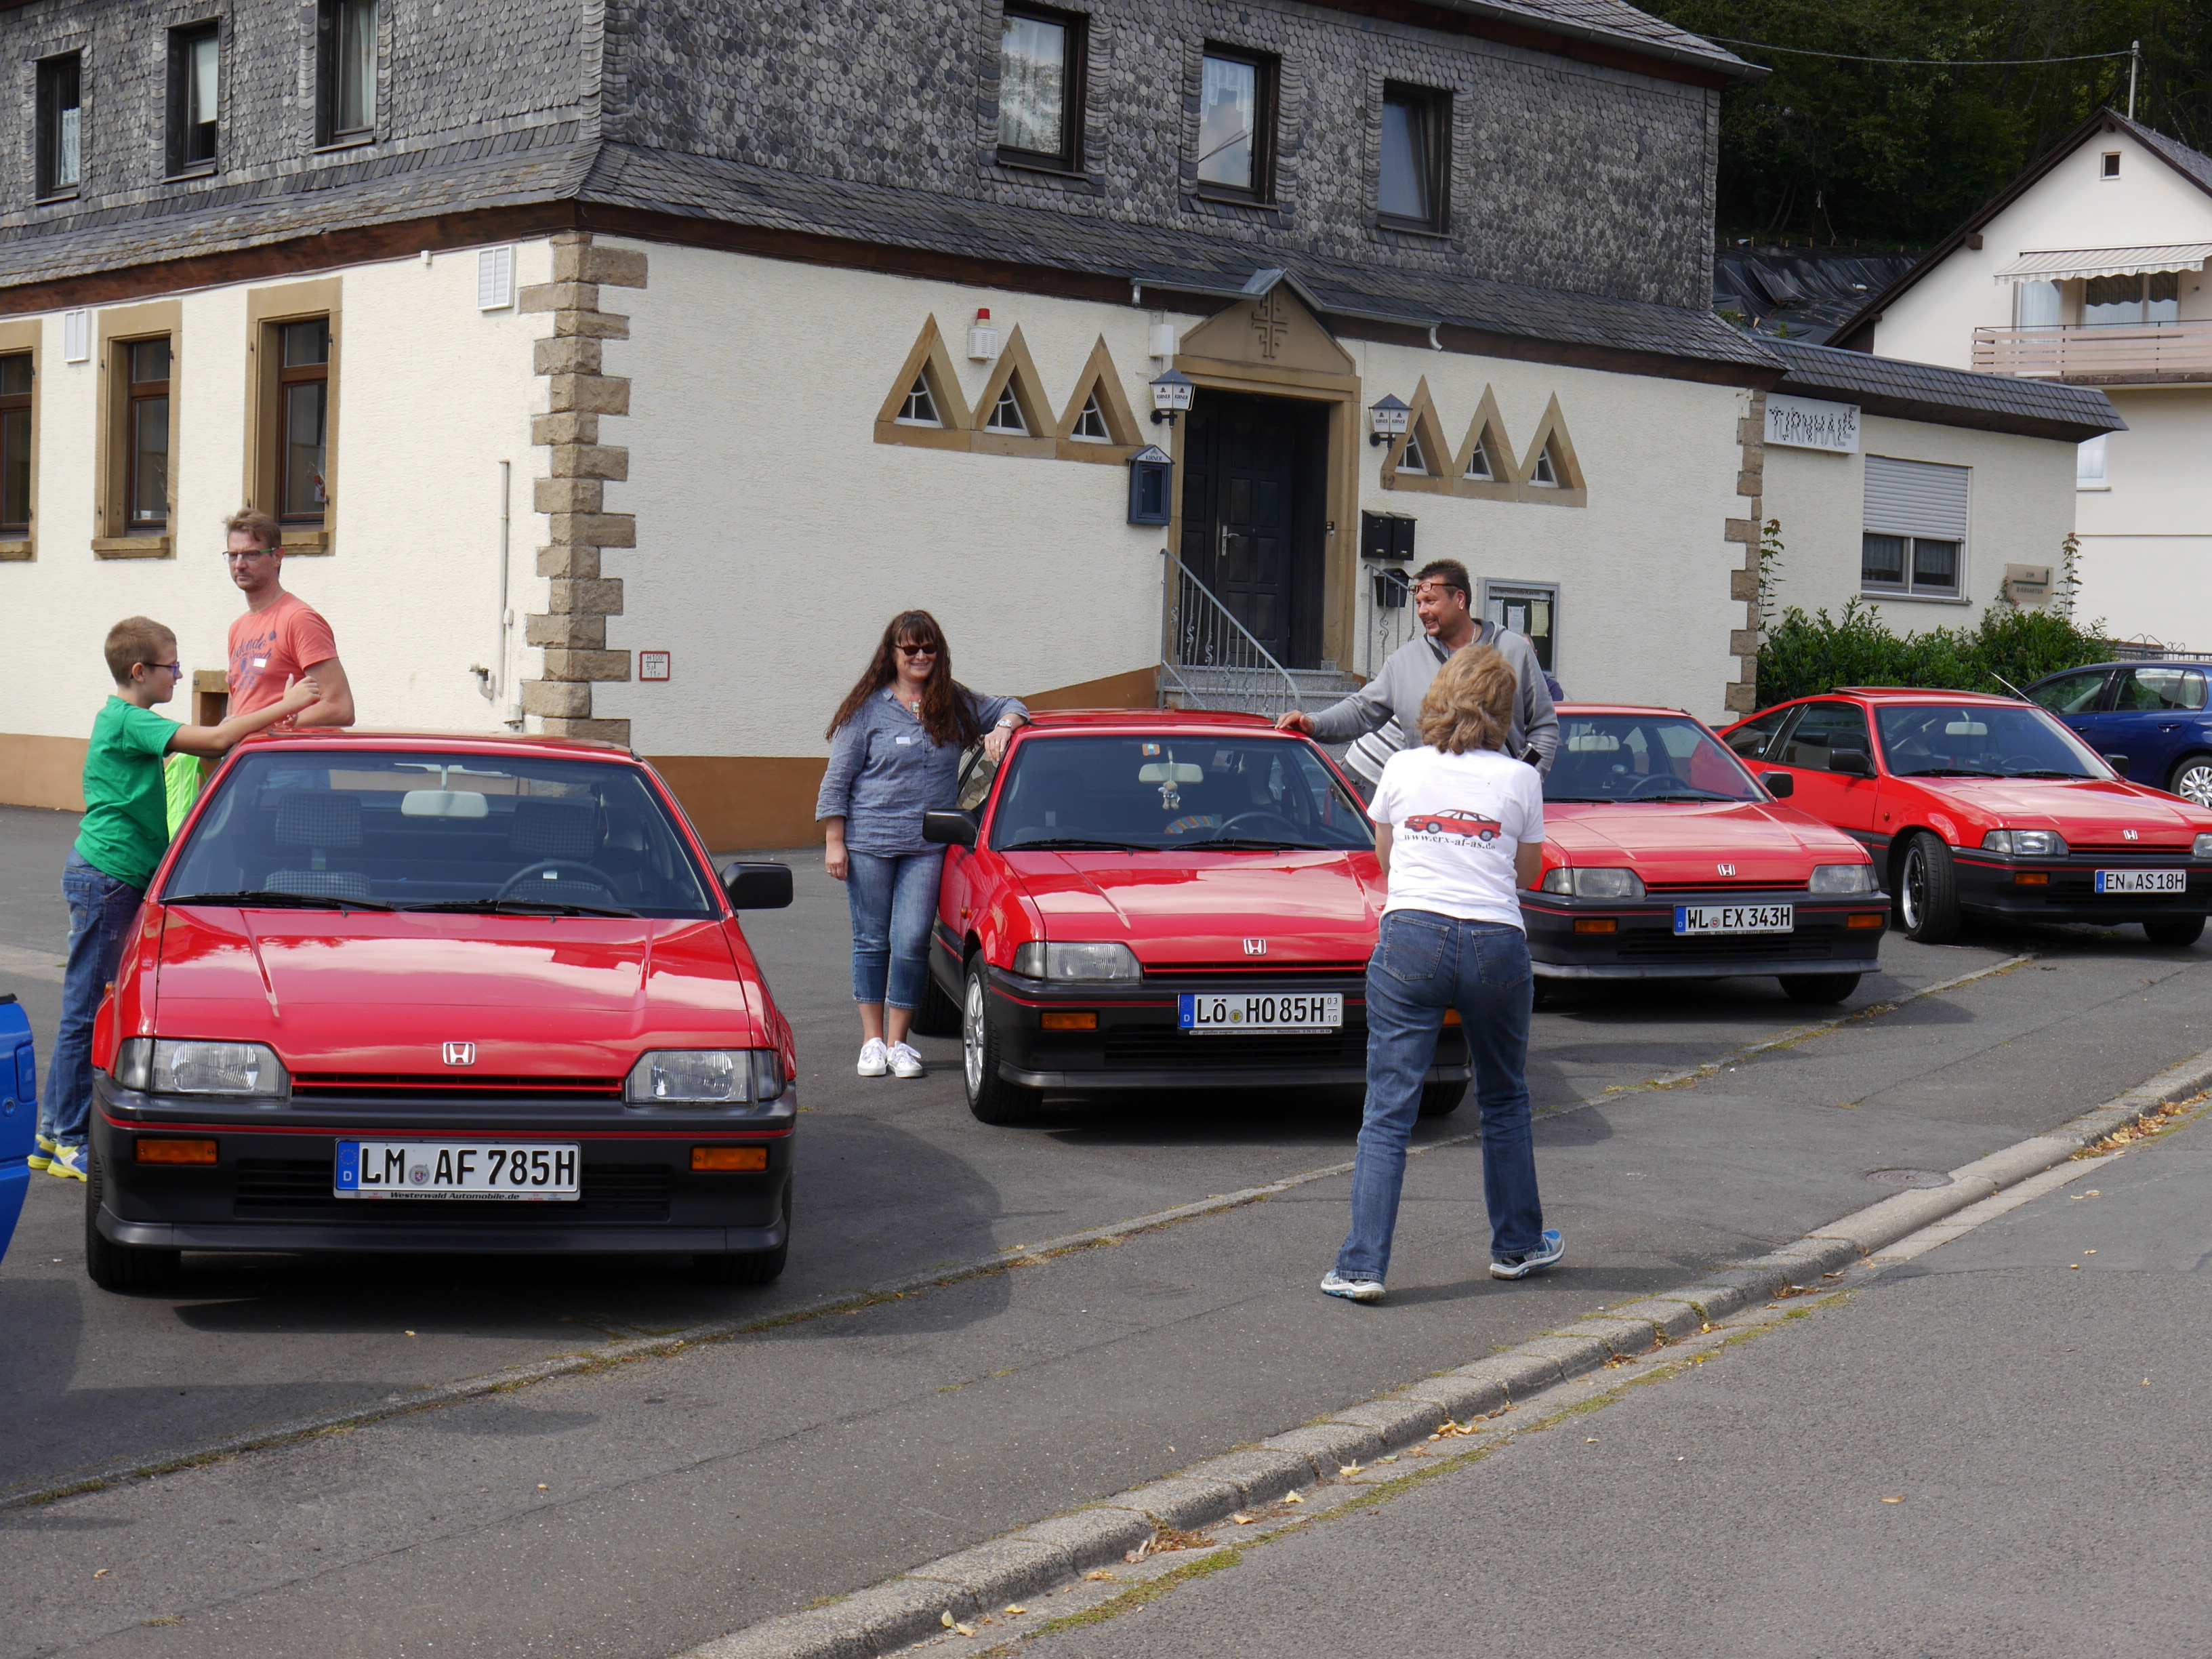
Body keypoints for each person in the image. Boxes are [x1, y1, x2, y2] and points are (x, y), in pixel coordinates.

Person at [35, 619, 319, 1182]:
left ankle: (51, 1132)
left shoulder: (125, 719)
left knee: (88, 1006)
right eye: (172, 666)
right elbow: (213, 740)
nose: (179, 674)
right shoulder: (129, 720)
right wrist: (285, 704)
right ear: (140, 671)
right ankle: (68, 1138)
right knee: (87, 1011)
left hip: (112, 876)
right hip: (107, 877)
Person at [1320, 644, 1561, 1303]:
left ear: (1439, 695)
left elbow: (1386, 857)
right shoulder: (1520, 778)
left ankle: (1362, 1266)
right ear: (1502, 710)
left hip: (1412, 937)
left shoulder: (1402, 766)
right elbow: (1528, 872)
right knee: (1504, 1098)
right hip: (1495, 942)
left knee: (1388, 1108)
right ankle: (1517, 1246)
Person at [816, 611, 1027, 1081]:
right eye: (910, 648)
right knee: (872, 940)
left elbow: (1013, 705)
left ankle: (899, 1044)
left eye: (928, 648)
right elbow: (837, 780)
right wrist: (835, 841)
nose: (920, 656)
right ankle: (872, 1042)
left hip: (927, 846)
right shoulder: (867, 709)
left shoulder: (952, 701)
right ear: (892, 654)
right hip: (869, 841)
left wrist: (1003, 727)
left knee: (912, 940)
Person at [1279, 558, 1556, 796]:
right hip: (1431, 808)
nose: (1422, 611)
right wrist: (1314, 723)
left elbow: (1544, 725)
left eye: (1431, 601)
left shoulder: (1514, 651)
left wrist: (1527, 779)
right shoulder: (1404, 662)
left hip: (1498, 803)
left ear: (1460, 599)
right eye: (1419, 603)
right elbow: (1361, 710)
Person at [223, 509, 354, 728]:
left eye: (251, 554)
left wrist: (276, 728)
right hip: (247, 750)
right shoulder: (237, 628)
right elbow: (236, 709)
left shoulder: (299, 619)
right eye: (233, 555)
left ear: (277, 557)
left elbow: (340, 707)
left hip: (281, 750)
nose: (239, 564)